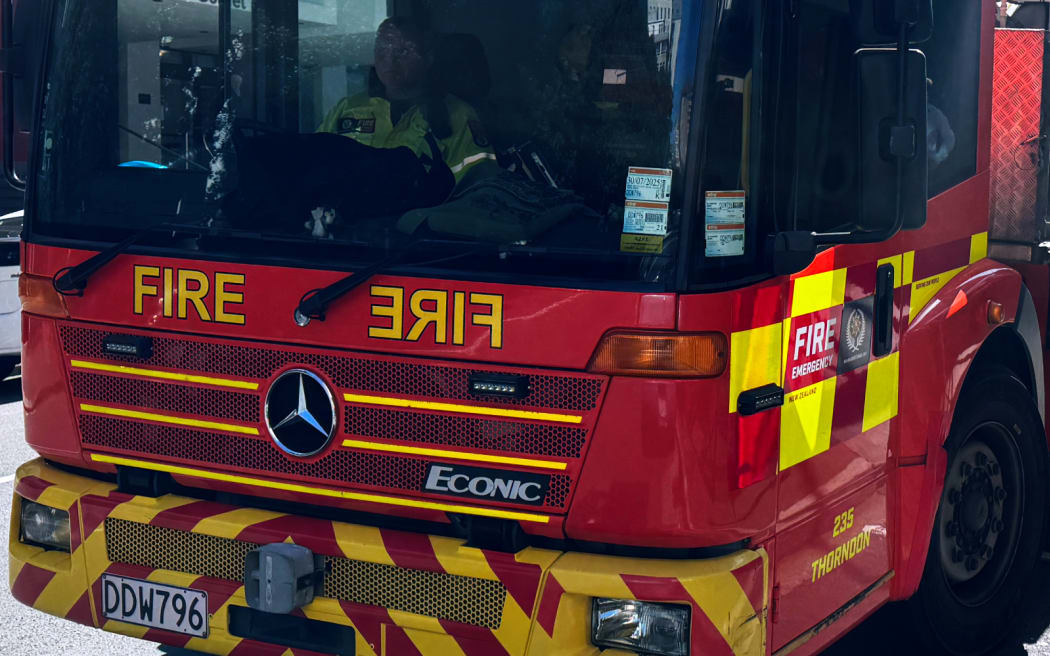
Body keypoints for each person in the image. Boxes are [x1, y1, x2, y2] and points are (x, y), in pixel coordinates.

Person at [318, 17, 496, 185]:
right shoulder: (348, 108)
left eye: (402, 51)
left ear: (428, 57)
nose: (389, 60)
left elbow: (478, 188)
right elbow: (314, 165)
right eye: (382, 50)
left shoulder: (457, 115)